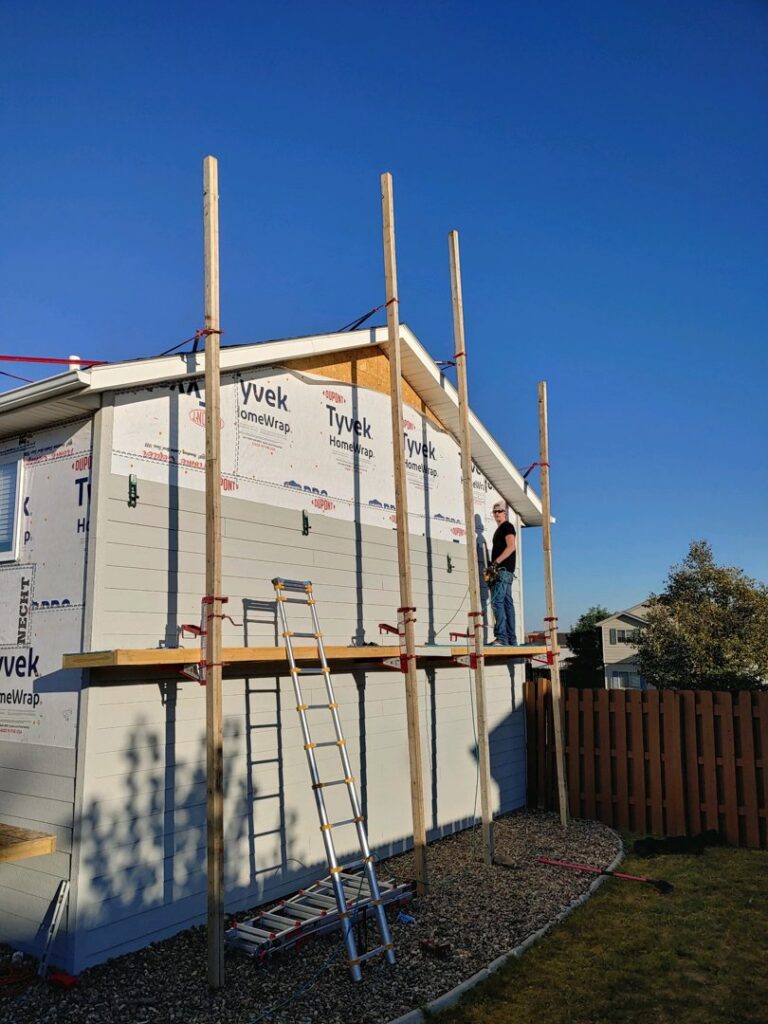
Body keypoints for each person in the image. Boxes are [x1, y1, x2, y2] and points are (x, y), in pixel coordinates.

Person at [488, 500, 517, 645]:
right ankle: (511, 639)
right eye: (494, 512)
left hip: (503, 571)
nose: (496, 514)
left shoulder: (507, 526)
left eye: (499, 511)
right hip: (504, 571)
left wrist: (495, 563)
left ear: (505, 513)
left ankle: (502, 637)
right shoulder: (500, 529)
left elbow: (511, 546)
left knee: (497, 602)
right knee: (506, 603)